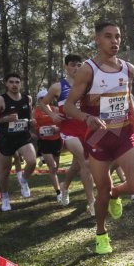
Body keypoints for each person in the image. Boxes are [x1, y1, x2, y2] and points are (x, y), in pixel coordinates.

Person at [63, 21, 134, 255]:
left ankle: (116, 195)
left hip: (123, 133)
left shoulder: (127, 68)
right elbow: (69, 107)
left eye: (118, 37)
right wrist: (86, 118)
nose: (115, 41)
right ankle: (101, 233)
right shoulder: (88, 70)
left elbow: (127, 96)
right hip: (98, 137)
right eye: (108, 37)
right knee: (102, 189)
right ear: (97, 40)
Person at [39, 54, 96, 214]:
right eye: (73, 65)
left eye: (79, 65)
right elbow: (42, 104)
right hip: (68, 129)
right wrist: (52, 115)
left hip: (86, 128)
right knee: (85, 163)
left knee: (77, 164)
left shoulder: (87, 85)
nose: (76, 68)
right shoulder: (58, 86)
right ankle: (92, 202)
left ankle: (64, 186)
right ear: (66, 66)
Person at [0, 73, 38, 212]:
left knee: (32, 161)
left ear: (20, 84)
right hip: (6, 139)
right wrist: (6, 119)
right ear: (6, 84)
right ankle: (5, 198)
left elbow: (30, 116)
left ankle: (23, 180)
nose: (14, 84)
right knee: (5, 172)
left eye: (17, 82)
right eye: (11, 82)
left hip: (23, 136)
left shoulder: (27, 98)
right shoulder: (1, 100)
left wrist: (33, 124)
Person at [34, 89, 63, 201]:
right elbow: (33, 128)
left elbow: (63, 125)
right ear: (39, 100)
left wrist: (57, 128)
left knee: (56, 167)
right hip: (44, 142)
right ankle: (58, 192)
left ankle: (43, 160)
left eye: (46, 98)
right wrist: (37, 131)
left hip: (56, 141)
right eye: (41, 98)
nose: (44, 100)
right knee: (53, 166)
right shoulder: (35, 111)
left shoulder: (55, 109)